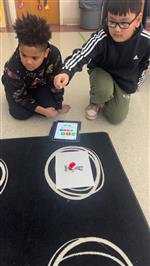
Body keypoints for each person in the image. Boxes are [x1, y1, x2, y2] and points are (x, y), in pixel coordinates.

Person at [54, 0, 150, 124]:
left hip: (125, 78)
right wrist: (66, 71)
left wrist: (135, 83)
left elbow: (144, 64)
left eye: (124, 23)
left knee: (116, 117)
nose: (117, 29)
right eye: (112, 21)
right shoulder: (102, 35)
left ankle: (112, 96)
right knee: (103, 90)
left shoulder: (146, 41)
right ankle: (95, 102)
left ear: (138, 20)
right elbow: (83, 53)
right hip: (102, 71)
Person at [1, 14, 70, 120]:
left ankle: (32, 96)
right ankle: (11, 90)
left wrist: (58, 105)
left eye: (34, 58)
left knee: (52, 107)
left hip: (38, 83)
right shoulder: (13, 67)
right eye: (24, 55)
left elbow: (56, 82)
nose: (28, 62)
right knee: (21, 114)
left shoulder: (54, 55)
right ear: (19, 48)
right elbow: (19, 97)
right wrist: (42, 111)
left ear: (46, 52)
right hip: (17, 86)